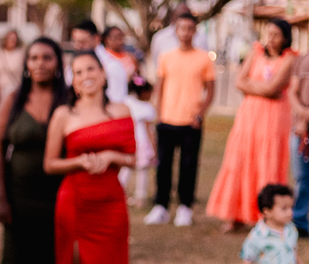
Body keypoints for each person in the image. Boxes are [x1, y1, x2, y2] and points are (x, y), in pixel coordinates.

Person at [42, 51, 142, 264]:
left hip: (110, 203)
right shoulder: (63, 115)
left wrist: (111, 154)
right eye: (78, 71)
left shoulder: (121, 110)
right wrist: (81, 162)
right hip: (75, 201)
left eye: (91, 69)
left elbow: (133, 158)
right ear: (72, 80)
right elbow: (50, 164)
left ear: (102, 74)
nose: (85, 75)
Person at [0, 37, 67, 264]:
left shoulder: (69, 101)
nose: (39, 64)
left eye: (46, 58)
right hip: (19, 198)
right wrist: (1, 198)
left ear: (57, 63)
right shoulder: (13, 100)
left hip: (59, 197)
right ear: (25, 64)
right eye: (33, 58)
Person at [206, 20, 299, 232]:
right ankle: (234, 214)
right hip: (249, 116)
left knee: (268, 163)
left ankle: (266, 216)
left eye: (277, 35)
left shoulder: (289, 59)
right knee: (240, 160)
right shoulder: (255, 52)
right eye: (269, 33)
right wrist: (262, 89)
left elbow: (274, 86)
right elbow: (239, 81)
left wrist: (252, 86)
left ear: (285, 37)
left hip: (274, 119)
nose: (271, 39)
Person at [144, 13, 216, 227]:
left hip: (191, 121)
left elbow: (210, 91)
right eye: (182, 28)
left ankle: (185, 206)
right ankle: (161, 206)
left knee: (189, 165)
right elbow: (160, 86)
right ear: (175, 31)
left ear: (195, 31)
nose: (185, 33)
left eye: (190, 29)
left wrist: (200, 113)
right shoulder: (166, 56)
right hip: (167, 118)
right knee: (163, 165)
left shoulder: (204, 58)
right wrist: (158, 112)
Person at [69, 20, 128, 103]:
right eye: (75, 42)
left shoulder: (112, 66)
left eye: (82, 42)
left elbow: (117, 100)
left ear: (96, 38)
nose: (78, 46)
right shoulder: (73, 64)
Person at [121, 77, 158, 207]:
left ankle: (119, 191)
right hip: (143, 144)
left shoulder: (127, 103)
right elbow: (150, 131)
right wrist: (154, 148)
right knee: (143, 172)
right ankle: (140, 198)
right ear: (144, 93)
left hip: (129, 142)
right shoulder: (147, 108)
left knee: (126, 169)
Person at [289, 52, 309, 235]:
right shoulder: (302, 60)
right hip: (301, 129)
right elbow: (292, 93)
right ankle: (300, 221)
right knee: (302, 178)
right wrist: (303, 115)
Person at [0, 29, 25, 99]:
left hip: (14, 91)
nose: (11, 41)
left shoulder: (21, 54)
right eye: (9, 38)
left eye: (13, 39)